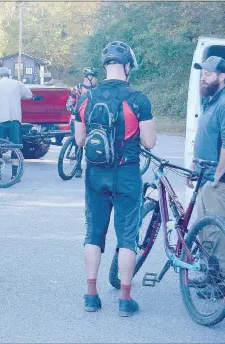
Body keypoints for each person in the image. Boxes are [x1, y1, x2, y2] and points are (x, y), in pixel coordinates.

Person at [74, 41, 156, 317]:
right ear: (128, 66)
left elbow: (79, 139)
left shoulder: (86, 98)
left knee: (93, 233)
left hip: (96, 174)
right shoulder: (137, 99)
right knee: (127, 237)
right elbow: (151, 141)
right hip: (127, 174)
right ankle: (124, 299)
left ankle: (91, 295)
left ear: (105, 66)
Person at [189, 56, 225, 299]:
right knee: (205, 232)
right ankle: (211, 277)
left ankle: (222, 287)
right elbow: (204, 138)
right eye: (203, 74)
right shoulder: (210, 101)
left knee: (218, 236)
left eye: (209, 74)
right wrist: (194, 167)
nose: (204, 77)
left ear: (222, 77)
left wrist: (216, 178)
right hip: (205, 178)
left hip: (219, 182)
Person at [65, 67, 99, 178]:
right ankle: (78, 167)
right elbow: (69, 103)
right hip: (78, 120)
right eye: (95, 77)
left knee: (90, 143)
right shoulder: (78, 88)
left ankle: (88, 167)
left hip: (89, 120)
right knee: (78, 143)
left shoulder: (96, 90)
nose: (96, 80)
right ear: (89, 77)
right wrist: (73, 110)